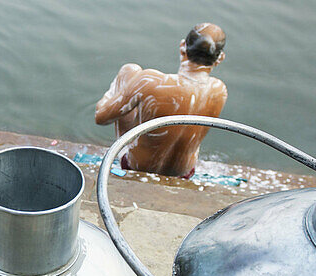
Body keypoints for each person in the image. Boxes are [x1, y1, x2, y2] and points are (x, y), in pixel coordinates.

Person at [95, 23, 228, 178]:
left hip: (135, 167)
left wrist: (117, 90)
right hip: (184, 173)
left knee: (129, 71)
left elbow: (101, 118)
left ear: (182, 46)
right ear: (220, 58)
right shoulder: (220, 90)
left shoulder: (150, 81)